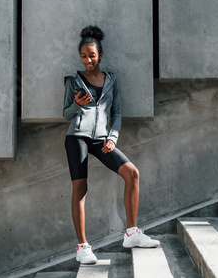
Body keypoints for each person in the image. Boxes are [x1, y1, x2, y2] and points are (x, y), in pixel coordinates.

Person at [63, 25, 159, 265]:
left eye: (92, 55)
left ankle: (132, 234)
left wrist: (112, 138)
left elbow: (117, 112)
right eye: (84, 56)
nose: (88, 60)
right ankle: (83, 247)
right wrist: (76, 103)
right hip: (77, 137)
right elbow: (66, 114)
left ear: (100, 55)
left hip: (101, 140)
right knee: (80, 189)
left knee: (132, 173)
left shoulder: (111, 80)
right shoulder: (73, 81)